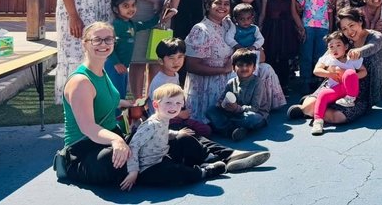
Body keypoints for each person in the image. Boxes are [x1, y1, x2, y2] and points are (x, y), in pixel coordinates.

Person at [56, 21, 270, 187]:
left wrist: (130, 103)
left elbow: (108, 101)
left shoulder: (101, 72)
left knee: (174, 134)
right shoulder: (80, 81)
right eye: (97, 40)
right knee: (126, 158)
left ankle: (227, 155)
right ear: (85, 43)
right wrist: (117, 141)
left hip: (111, 140)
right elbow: (88, 127)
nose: (103, 44)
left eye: (108, 40)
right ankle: (191, 168)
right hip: (83, 153)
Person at [184, 0, 285, 125]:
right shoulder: (201, 30)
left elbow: (253, 47)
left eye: (226, 4)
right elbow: (191, 66)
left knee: (266, 69)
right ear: (208, 6)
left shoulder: (228, 23)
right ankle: (245, 118)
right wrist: (223, 70)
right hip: (214, 76)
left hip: (234, 68)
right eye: (218, 3)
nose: (223, 7)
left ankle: (260, 110)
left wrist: (255, 50)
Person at [121, 83, 226, 190]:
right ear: (156, 105)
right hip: (147, 169)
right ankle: (202, 172)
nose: (173, 107)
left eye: (178, 103)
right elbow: (133, 147)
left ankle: (208, 157)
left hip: (162, 157)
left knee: (184, 137)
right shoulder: (150, 125)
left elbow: (163, 133)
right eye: (168, 103)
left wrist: (177, 133)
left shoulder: (163, 119)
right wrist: (133, 171)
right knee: (174, 172)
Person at [290, 8, 382, 127]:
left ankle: (314, 110)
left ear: (360, 21)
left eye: (352, 25)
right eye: (344, 29)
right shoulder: (343, 40)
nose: (349, 31)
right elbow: (325, 59)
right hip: (335, 83)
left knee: (338, 117)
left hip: (360, 90)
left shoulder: (375, 36)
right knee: (308, 107)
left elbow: (372, 46)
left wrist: (358, 52)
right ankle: (311, 106)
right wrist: (328, 70)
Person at [106, 0, 175, 99]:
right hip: (114, 66)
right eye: (126, 6)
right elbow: (108, 47)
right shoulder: (116, 25)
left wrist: (161, 14)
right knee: (114, 94)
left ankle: (120, 115)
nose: (131, 9)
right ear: (115, 9)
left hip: (123, 66)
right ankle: (113, 115)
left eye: (133, 5)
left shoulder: (131, 24)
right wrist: (116, 63)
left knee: (121, 94)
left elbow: (148, 24)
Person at [148, 37, 211, 137]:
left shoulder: (175, 74)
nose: (176, 62)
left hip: (176, 116)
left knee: (205, 130)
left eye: (180, 57)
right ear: (161, 61)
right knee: (187, 137)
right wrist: (179, 114)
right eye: (171, 58)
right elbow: (158, 108)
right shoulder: (159, 82)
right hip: (164, 121)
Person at [306, 30, 364, 135]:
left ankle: (350, 99)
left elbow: (364, 72)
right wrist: (330, 74)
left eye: (338, 45)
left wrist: (351, 77)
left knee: (350, 73)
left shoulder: (351, 59)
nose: (335, 49)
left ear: (346, 47)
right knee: (323, 94)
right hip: (335, 89)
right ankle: (318, 121)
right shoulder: (328, 58)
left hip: (348, 90)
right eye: (331, 46)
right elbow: (316, 70)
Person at [206, 48, 270, 140]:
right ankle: (233, 130)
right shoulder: (231, 82)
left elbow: (255, 108)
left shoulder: (258, 83)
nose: (244, 68)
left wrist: (237, 108)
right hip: (234, 114)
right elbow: (222, 98)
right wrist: (220, 104)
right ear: (233, 68)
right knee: (210, 110)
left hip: (253, 114)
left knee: (253, 118)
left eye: (248, 65)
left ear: (254, 68)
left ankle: (225, 128)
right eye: (240, 65)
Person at [259, 0, 302, 92]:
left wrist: (301, 28)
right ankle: (270, 85)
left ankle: (283, 85)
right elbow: (263, 14)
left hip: (286, 30)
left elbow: (294, 14)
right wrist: (259, 28)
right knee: (270, 56)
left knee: (284, 58)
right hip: (270, 29)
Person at [297, 0, 334, 92]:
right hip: (308, 27)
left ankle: (318, 80)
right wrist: (300, 28)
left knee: (320, 55)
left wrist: (330, 28)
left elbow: (330, 12)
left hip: (323, 28)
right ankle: (305, 81)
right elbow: (298, 10)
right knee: (306, 54)